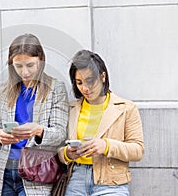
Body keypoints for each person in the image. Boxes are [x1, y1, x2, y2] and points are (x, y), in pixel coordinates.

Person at [0, 34, 69, 196]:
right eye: (18, 66)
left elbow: (60, 133)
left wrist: (38, 130)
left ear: (41, 61)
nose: (24, 72)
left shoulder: (55, 88)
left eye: (30, 65)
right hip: (4, 171)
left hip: (35, 172)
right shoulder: (1, 91)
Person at [58, 50, 144, 195]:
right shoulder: (71, 109)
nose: (85, 88)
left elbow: (138, 150)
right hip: (77, 178)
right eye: (79, 82)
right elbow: (58, 148)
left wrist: (106, 145)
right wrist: (67, 154)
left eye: (90, 80)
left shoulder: (126, 108)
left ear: (102, 76)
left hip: (111, 181)